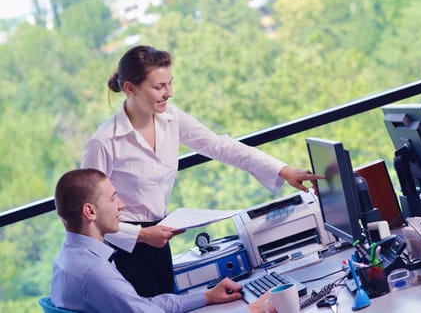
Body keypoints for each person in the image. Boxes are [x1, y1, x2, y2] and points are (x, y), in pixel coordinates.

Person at [81, 44, 323, 297]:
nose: (169, 93)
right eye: (159, 87)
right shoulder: (104, 142)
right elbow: (88, 217)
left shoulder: (171, 119)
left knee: (168, 303)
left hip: (158, 239)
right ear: (130, 88)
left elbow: (220, 146)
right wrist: (140, 235)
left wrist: (282, 170)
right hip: (122, 247)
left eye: (170, 83)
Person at [50, 168, 275, 313]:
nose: (121, 205)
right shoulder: (95, 272)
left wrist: (206, 297)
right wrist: (252, 311)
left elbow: (142, 307)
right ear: (90, 211)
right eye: (112, 198)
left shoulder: (70, 257)